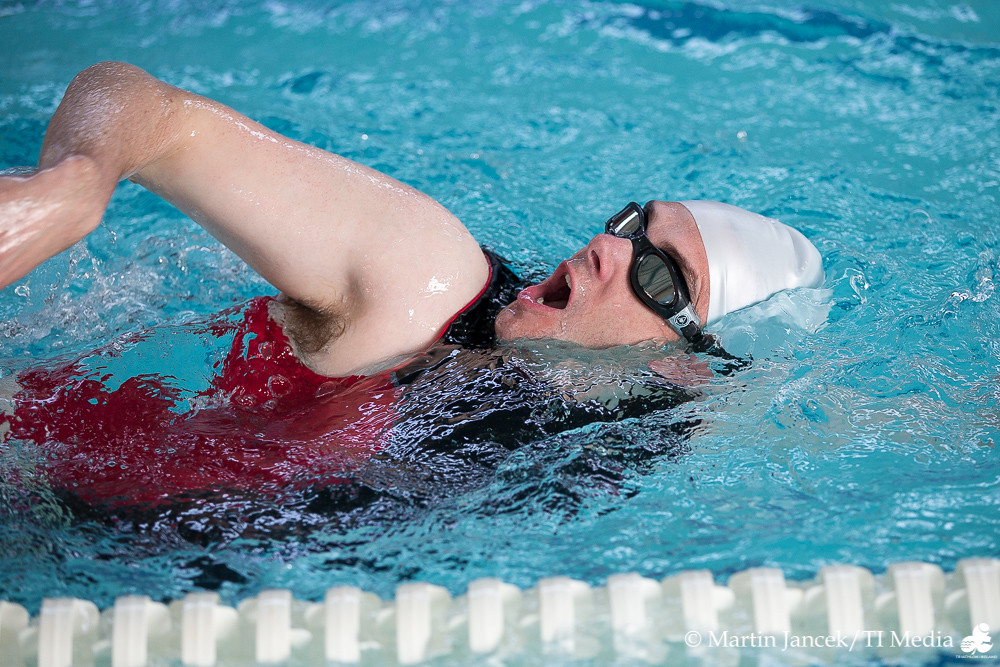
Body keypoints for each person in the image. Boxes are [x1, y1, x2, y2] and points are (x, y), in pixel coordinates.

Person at [0, 62, 823, 507]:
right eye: (632, 223)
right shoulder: (431, 283)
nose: (608, 248)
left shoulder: (619, 457)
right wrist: (69, 188)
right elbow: (142, 106)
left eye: (659, 272)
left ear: (686, 365)